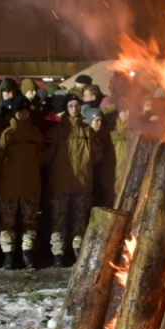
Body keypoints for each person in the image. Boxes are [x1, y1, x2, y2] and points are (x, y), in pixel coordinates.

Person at [44, 94, 101, 266]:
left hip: (82, 184)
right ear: (66, 108)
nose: (74, 109)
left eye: (77, 105)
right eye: (71, 105)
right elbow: (46, 155)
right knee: (58, 221)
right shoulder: (57, 131)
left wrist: (84, 167)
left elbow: (97, 154)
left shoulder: (88, 131)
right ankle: (58, 253)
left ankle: (77, 250)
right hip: (60, 183)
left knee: (79, 221)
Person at [0, 97, 43, 269]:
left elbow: (41, 157)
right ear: (14, 112)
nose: (24, 113)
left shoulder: (36, 133)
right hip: (9, 187)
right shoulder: (6, 133)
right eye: (20, 110)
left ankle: (27, 254)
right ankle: (8, 255)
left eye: (27, 110)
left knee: (30, 223)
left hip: (30, 186)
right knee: (8, 223)